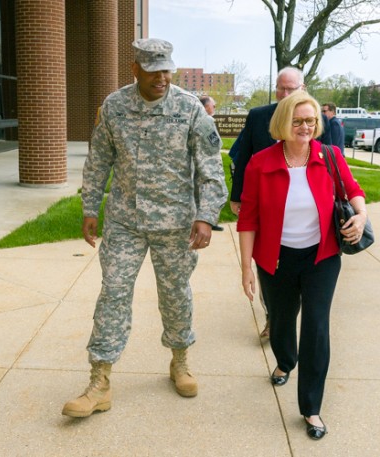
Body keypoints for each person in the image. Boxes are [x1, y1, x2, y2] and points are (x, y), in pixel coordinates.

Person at [62, 38, 227, 418]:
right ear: (135, 69)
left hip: (176, 223)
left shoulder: (188, 108)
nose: (162, 77)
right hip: (125, 221)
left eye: (167, 69)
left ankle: (180, 360)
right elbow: (99, 159)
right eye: (153, 70)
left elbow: (211, 166)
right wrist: (90, 206)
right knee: (114, 292)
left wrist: (206, 215)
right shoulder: (115, 106)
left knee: (175, 294)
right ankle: (99, 380)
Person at [236, 91, 367, 440]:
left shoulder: (331, 156)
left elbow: (354, 190)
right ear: (283, 123)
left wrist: (362, 215)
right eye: (298, 121)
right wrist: (246, 268)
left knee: (316, 326)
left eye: (311, 121)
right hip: (274, 258)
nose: (305, 127)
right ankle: (285, 359)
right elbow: (247, 218)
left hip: (321, 257)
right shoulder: (261, 163)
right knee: (281, 319)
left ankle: (311, 407)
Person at [230, 67, 332, 340]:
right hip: (267, 206)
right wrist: (237, 197)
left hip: (310, 223)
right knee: (269, 264)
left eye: (291, 88)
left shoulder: (316, 119)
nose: (284, 94)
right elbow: (245, 158)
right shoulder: (259, 116)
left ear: (304, 88)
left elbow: (336, 164)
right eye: (280, 88)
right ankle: (272, 318)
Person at [199, 95, 224, 232]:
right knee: (213, 192)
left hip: (201, 164)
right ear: (205, 106)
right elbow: (216, 144)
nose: (214, 108)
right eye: (212, 105)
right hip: (207, 164)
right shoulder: (206, 120)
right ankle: (208, 220)